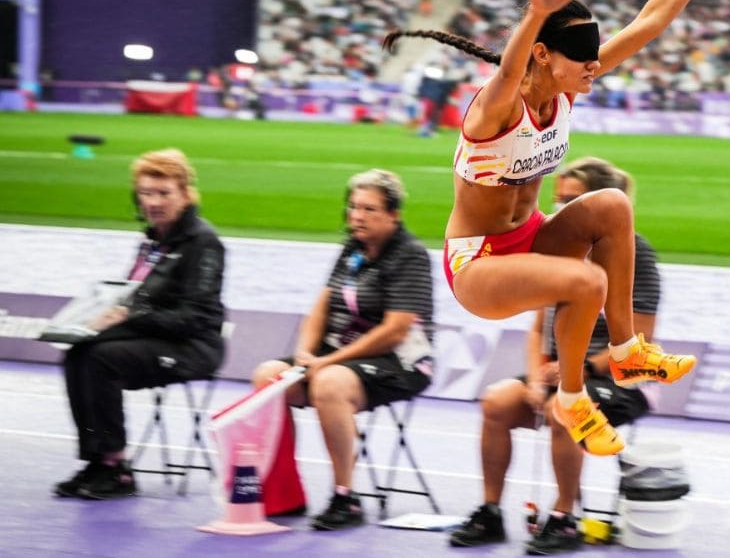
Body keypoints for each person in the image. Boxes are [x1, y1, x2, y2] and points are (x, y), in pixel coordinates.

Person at [383, 0, 730, 458]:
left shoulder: (565, 89)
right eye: (581, 58)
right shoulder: (496, 108)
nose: (595, 66)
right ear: (542, 54)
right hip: (479, 262)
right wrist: (535, 11)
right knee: (585, 283)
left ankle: (628, 349)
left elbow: (651, 21)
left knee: (611, 205)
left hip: (528, 237)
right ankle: (572, 399)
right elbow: (508, 70)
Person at [449, 157, 660, 553]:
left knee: (563, 414)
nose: (561, 210)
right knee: (496, 403)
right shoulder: (558, 245)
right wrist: (536, 374)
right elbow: (537, 328)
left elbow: (642, 334)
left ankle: (564, 518)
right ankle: (490, 511)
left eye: (572, 201)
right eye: (559, 199)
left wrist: (570, 370)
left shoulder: (635, 254)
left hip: (614, 377)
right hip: (558, 372)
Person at [251, 169, 434, 531]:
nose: (357, 216)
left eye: (369, 209)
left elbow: (395, 330)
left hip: (399, 362)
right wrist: (304, 354)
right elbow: (322, 306)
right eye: (353, 207)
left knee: (329, 384)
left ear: (393, 214)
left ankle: (344, 496)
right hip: (335, 355)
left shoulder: (410, 256)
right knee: (268, 376)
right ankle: (283, 493)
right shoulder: (351, 250)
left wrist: (325, 362)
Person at [55, 148, 226, 500]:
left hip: (192, 347)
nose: (154, 202)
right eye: (147, 193)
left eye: (164, 193)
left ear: (185, 193)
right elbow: (135, 294)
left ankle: (117, 468)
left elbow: (193, 317)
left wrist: (131, 317)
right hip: (154, 336)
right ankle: (97, 460)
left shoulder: (203, 242)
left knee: (102, 359)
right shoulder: (152, 238)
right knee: (78, 352)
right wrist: (102, 314)